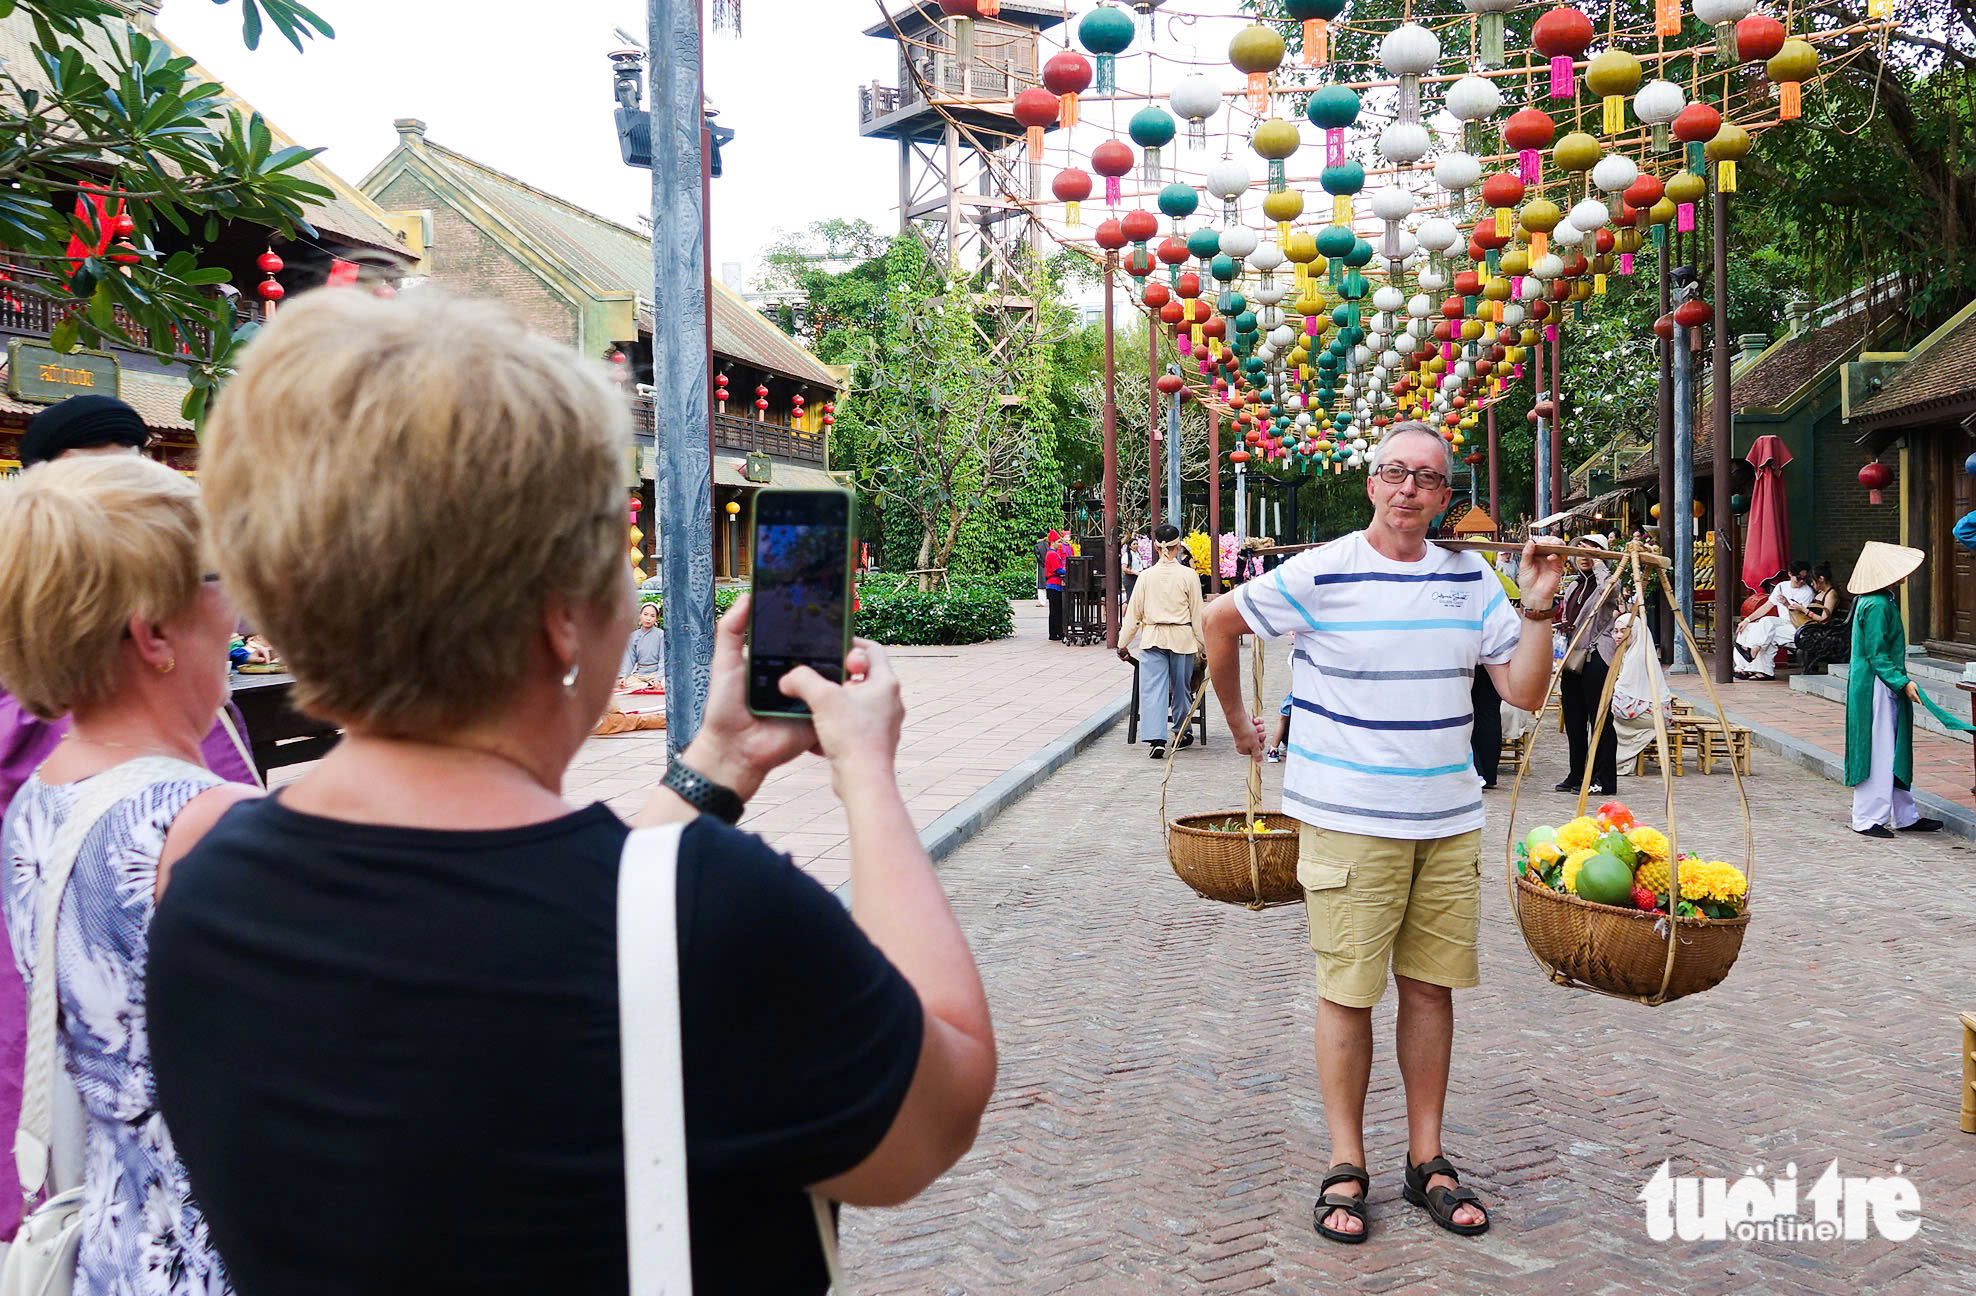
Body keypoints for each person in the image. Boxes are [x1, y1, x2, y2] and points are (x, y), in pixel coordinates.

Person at [143, 291, 995, 1294]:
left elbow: (492, 903)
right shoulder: (711, 909)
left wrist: (716, 764)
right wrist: (867, 776)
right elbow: (935, 1111)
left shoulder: (204, 887)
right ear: (561, 616)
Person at [1201, 421, 1563, 1245]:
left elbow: (1527, 692)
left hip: (1447, 820)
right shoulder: (1324, 570)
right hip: (1349, 821)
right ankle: (1345, 1161)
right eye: (1396, 473)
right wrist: (1242, 727)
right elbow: (1220, 622)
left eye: (1428, 478)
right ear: (1372, 484)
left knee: (1430, 989)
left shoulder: (1471, 581)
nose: (1409, 489)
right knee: (1348, 992)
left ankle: (1426, 1157)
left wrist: (1537, 600)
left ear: (1445, 496)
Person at [0, 395, 257, 1251]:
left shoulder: (45, 797)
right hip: (214, 1239)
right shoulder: (209, 828)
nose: (238, 610)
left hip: (119, 1230)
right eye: (219, 581)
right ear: (152, 633)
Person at [1845, 542, 1949, 838]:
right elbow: (1877, 654)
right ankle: (1866, 818)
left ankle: (1903, 814)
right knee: (1878, 749)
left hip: (1881, 680)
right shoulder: (1877, 604)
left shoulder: (1880, 600)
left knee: (1890, 747)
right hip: (1876, 685)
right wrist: (1903, 682)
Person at [1117, 523, 1205, 759]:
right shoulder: (1189, 576)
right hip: (1182, 638)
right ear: (1178, 546)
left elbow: (1133, 614)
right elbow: (1197, 614)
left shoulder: (1146, 576)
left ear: (1156, 547)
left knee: (1152, 689)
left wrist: (1122, 643)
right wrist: (1204, 645)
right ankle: (1181, 731)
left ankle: (1156, 738)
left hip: (1153, 637)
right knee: (1182, 689)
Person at [1554, 536, 1621, 796]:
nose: (1584, 557)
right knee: (1574, 718)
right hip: (1572, 657)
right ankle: (1577, 774)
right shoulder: (1573, 586)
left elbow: (1609, 592)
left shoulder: (1607, 581)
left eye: (1591, 553)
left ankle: (1604, 778)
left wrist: (1599, 563)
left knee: (1601, 719)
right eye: (1579, 552)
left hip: (1596, 656)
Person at [1733, 562, 1815, 679]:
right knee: (1749, 628)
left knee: (1765, 633)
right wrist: (1747, 620)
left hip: (1796, 625)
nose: (1802, 581)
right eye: (1799, 578)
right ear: (1790, 574)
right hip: (1782, 623)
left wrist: (1786, 604)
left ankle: (1760, 664)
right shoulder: (1782, 586)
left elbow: (1801, 617)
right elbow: (1767, 606)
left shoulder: (1807, 592)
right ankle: (1742, 668)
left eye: (1804, 578)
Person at [1794, 563, 1849, 676]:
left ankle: (1809, 667)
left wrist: (1804, 610)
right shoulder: (1821, 593)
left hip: (1827, 630)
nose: (1812, 585)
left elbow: (1824, 619)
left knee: (1803, 642)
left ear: (1821, 579)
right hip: (1816, 629)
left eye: (1813, 582)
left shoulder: (1831, 594)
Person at [619, 599, 664, 689]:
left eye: (652, 616)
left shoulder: (661, 634)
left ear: (656, 618)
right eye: (645, 614)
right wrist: (624, 676)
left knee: (665, 684)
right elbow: (629, 659)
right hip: (640, 674)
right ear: (640, 615)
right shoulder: (633, 636)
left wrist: (658, 678)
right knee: (625, 682)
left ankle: (652, 684)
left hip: (655, 673)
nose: (648, 618)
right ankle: (649, 686)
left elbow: (663, 659)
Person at [1043, 530, 1069, 641]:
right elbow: (1058, 570)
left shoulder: (1053, 553)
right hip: (1054, 585)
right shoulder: (1052, 554)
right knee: (1055, 611)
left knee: (1056, 610)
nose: (1060, 543)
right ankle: (1055, 633)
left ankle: (1056, 633)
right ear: (1052, 543)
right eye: (1058, 541)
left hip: (1054, 585)